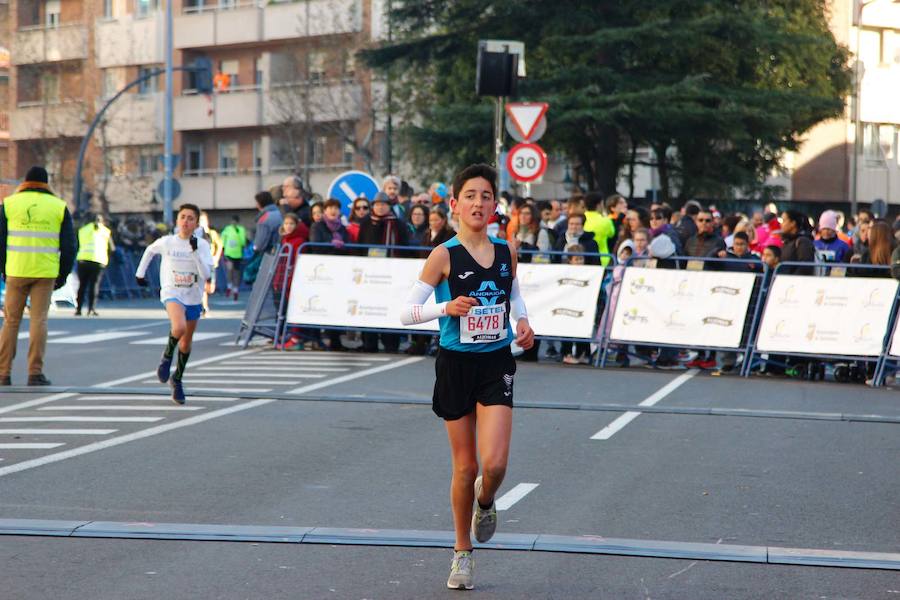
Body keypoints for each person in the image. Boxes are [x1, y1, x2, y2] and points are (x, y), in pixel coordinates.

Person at [399, 164, 534, 591]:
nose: (479, 203)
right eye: (471, 196)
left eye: (486, 196)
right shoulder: (443, 255)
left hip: (495, 362)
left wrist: (525, 322)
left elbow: (514, 294)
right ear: (455, 204)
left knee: (493, 465)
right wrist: (445, 308)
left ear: (496, 205)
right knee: (466, 465)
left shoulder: (505, 250)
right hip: (456, 365)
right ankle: (462, 552)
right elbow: (406, 313)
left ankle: (487, 500)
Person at [0, 166, 77, 386]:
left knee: (10, 321)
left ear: (25, 181)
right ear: (46, 183)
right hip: (45, 273)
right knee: (39, 320)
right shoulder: (58, 206)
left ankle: (3, 373)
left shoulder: (9, 204)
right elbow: (70, 246)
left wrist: (3, 268)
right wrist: (62, 275)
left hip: (16, 270)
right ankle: (35, 373)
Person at [135, 204, 213, 404]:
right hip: (172, 292)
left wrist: (194, 253)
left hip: (193, 296)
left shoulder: (203, 246)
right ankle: (166, 357)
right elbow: (149, 251)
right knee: (178, 327)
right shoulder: (167, 242)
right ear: (177, 221)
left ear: (196, 224)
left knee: (186, 343)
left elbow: (206, 274)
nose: (186, 222)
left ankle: (177, 379)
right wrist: (140, 274)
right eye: (183, 217)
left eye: (190, 218)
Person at [309, 199, 350, 351]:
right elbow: (316, 246)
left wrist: (340, 245)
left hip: (338, 273)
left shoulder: (342, 228)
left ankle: (335, 340)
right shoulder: (317, 226)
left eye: (336, 208)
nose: (333, 211)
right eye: (330, 208)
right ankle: (315, 339)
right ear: (325, 210)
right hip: (321, 272)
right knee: (318, 305)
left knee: (335, 306)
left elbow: (348, 246)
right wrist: (333, 245)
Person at [75, 213, 115, 316]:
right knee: (94, 285)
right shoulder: (106, 231)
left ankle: (78, 309)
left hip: (83, 260)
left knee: (82, 285)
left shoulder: (82, 230)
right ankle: (91, 309)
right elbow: (112, 248)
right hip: (98, 261)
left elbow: (77, 244)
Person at [197, 211, 223, 315]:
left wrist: (216, 257)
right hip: (200, 264)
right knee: (202, 285)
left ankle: (204, 304)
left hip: (211, 263)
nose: (201, 223)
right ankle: (204, 306)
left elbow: (219, 246)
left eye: (203, 220)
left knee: (210, 289)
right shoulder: (196, 234)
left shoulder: (212, 233)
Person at [582, 192, 615, 265]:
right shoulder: (606, 221)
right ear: (599, 204)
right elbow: (611, 234)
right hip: (603, 258)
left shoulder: (581, 218)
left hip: (583, 257)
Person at [779, 210, 816, 275]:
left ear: (793, 223)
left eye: (784, 221)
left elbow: (805, 267)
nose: (781, 224)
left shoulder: (803, 242)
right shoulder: (787, 241)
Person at [220, 215, 247, 301]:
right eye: (232, 222)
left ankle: (235, 289)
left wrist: (238, 233)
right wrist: (223, 248)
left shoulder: (241, 230)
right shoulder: (227, 229)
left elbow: (243, 242)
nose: (233, 223)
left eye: (235, 222)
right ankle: (229, 286)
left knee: (236, 272)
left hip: (238, 254)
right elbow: (223, 239)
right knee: (229, 269)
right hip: (229, 253)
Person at [253, 190, 284, 256]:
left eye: (257, 203)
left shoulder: (264, 218)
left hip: (267, 254)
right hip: (280, 250)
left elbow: (260, 243)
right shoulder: (280, 213)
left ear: (260, 203)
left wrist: (255, 248)